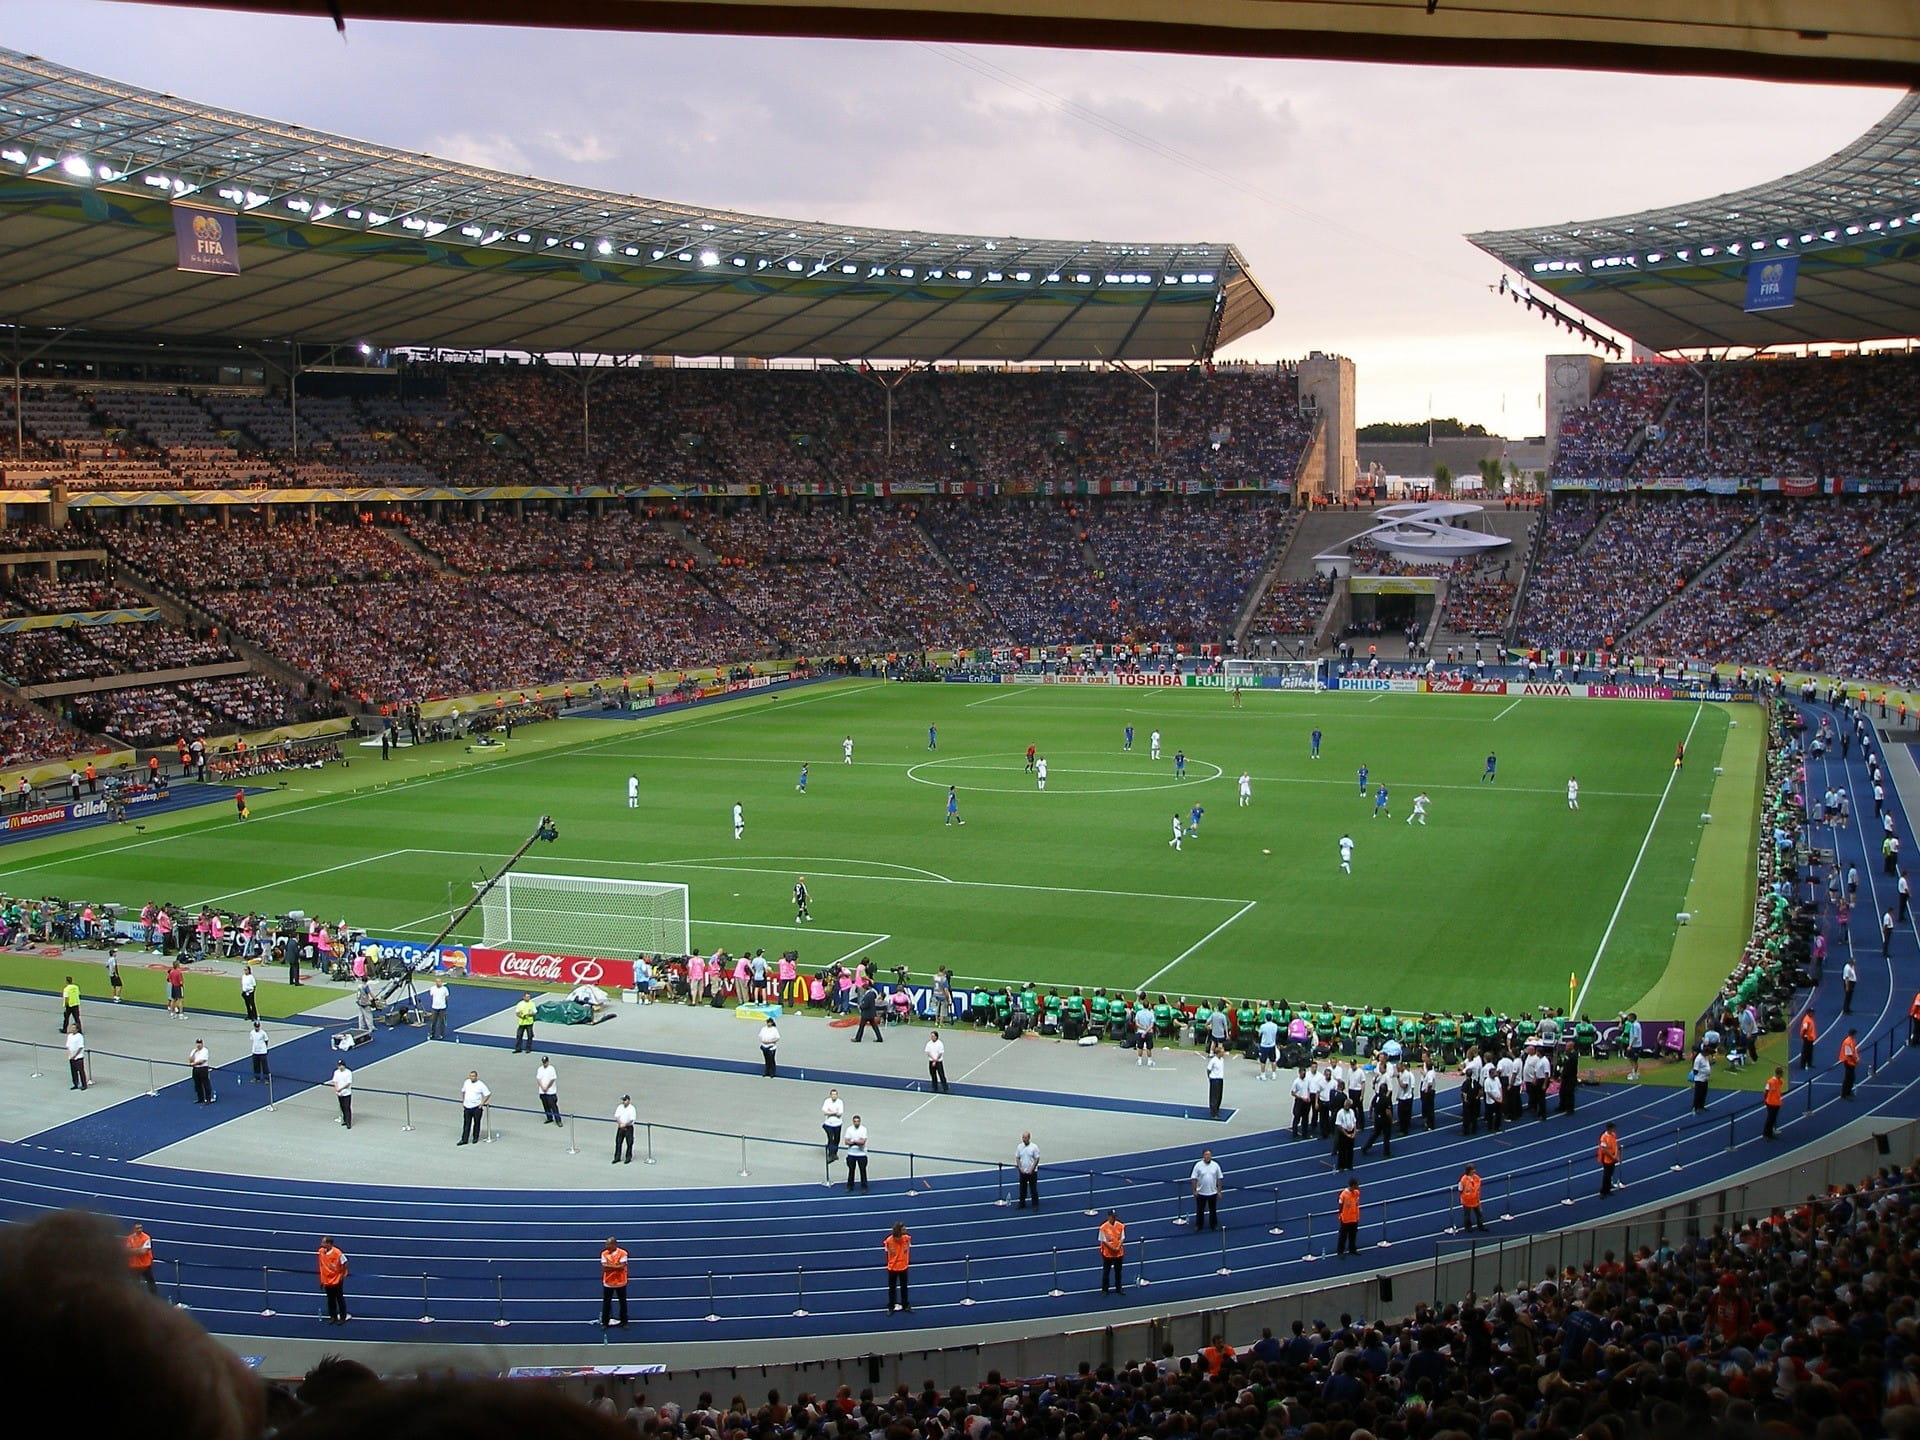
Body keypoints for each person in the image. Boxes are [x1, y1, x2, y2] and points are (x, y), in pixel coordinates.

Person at [317, 1236, 349, 1324]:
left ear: (329, 1244)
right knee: (330, 1299)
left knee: (339, 1298)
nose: (321, 1244)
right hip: (327, 1280)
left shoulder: (337, 1253)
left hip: (336, 1280)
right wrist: (322, 1280)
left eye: (323, 1242)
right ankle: (333, 1316)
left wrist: (342, 1275)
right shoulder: (321, 1252)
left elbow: (345, 1262)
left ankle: (342, 1317)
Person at [600, 1238, 630, 1328]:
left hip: (620, 1282)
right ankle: (605, 1322)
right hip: (608, 1282)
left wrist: (611, 1267)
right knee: (606, 1303)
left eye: (608, 1244)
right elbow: (604, 1268)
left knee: (622, 1302)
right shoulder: (604, 1253)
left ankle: (624, 1321)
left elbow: (622, 1267)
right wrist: (616, 1266)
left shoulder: (623, 1253)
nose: (606, 1246)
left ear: (614, 1245)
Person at [1190, 1147, 1223, 1229]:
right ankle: (1199, 1225)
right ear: (1203, 1156)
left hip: (1212, 1192)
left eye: (1209, 1155)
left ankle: (1213, 1225)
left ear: (1211, 1156)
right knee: (1200, 1210)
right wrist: (1194, 1190)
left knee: (1213, 1210)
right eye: (1206, 1155)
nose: (1208, 1156)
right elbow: (1194, 1178)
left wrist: (1219, 1191)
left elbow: (1219, 1178)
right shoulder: (1198, 1165)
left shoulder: (1215, 1165)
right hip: (1201, 1192)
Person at [883, 1222, 912, 1312]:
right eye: (903, 1229)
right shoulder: (889, 1241)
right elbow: (887, 1253)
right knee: (892, 1288)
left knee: (904, 1287)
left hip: (903, 1267)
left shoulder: (907, 1238)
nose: (905, 1230)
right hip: (893, 1268)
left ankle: (905, 1304)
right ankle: (891, 1305)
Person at [458, 1071, 490, 1145]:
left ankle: (475, 1138)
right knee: (466, 1124)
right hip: (467, 1107)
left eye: (473, 1076)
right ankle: (464, 1139)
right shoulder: (466, 1082)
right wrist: (463, 1101)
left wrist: (482, 1103)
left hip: (476, 1108)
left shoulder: (480, 1084)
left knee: (476, 1123)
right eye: (470, 1076)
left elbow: (487, 1094)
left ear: (476, 1077)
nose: (472, 1077)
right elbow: (463, 1091)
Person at [125, 1222, 156, 1294]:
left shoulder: (146, 1237)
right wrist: (139, 1249)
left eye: (140, 1228)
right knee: (135, 1284)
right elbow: (127, 1250)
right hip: (134, 1265)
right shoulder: (130, 1238)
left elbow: (143, 1251)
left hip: (145, 1265)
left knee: (150, 1283)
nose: (139, 1229)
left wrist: (133, 1250)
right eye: (137, 1228)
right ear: (134, 1229)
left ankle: (154, 1298)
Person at [1014, 1131, 1041, 1207]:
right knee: (1022, 1189)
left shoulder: (1034, 1147)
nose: (1024, 1139)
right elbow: (1017, 1158)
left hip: (1032, 1172)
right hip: (1023, 1172)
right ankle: (1022, 1203)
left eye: (1025, 1138)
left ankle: (1035, 1204)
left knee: (1033, 1189)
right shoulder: (1019, 1147)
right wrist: (1020, 1168)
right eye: (1023, 1137)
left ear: (1029, 1138)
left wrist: (1032, 1169)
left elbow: (1037, 1159)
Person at [1336, 1180, 1362, 1256]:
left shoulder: (1357, 1193)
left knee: (1353, 1235)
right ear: (1352, 1185)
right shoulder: (1343, 1195)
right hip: (1346, 1219)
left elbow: (1356, 1203)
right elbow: (1340, 1206)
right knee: (1343, 1236)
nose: (1358, 1186)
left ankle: (1352, 1249)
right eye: (1357, 1185)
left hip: (1354, 1218)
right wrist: (1341, 1215)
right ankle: (1340, 1252)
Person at [844, 1115, 870, 1191]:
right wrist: (857, 1141)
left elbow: (862, 1142)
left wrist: (853, 1141)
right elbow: (846, 1142)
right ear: (853, 1122)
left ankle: (864, 1187)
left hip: (861, 1154)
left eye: (858, 1121)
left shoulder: (863, 1129)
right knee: (851, 1171)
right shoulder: (849, 1129)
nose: (856, 1123)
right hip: (851, 1154)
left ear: (860, 1121)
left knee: (863, 1171)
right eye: (855, 1121)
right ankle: (850, 1186)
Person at [1458, 1164, 1486, 1231]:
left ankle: (1481, 1226)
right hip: (1467, 1201)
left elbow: (1478, 1187)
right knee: (1467, 1215)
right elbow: (1460, 1189)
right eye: (1473, 1169)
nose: (1474, 1171)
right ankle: (1468, 1228)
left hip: (1476, 1199)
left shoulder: (1477, 1177)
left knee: (1479, 1214)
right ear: (1469, 1171)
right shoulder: (1463, 1180)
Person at [820, 1088, 845, 1161]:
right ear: (830, 1095)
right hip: (828, 1124)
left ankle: (834, 1153)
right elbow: (825, 1112)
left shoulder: (840, 1102)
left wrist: (830, 1112)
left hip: (837, 1124)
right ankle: (830, 1154)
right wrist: (834, 1112)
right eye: (832, 1094)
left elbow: (840, 1113)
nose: (834, 1096)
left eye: (835, 1094)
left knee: (837, 1139)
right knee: (831, 1138)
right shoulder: (827, 1101)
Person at [1596, 1122, 1619, 1196]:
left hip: (1613, 1158)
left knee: (1610, 1174)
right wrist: (1612, 1157)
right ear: (1609, 1128)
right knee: (1606, 1175)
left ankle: (1608, 1189)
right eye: (1613, 1128)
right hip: (1606, 1159)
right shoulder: (1604, 1138)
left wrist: (1616, 1155)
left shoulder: (1613, 1135)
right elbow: (1604, 1150)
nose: (1614, 1129)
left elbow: (1615, 1146)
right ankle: (1603, 1191)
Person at [536, 1056, 560, 1124]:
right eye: (543, 1062)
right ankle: (549, 1117)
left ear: (548, 1062)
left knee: (553, 1106)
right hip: (542, 1091)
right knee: (546, 1105)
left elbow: (552, 1079)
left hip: (550, 1092)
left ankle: (558, 1120)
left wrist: (546, 1087)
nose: (544, 1064)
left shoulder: (551, 1069)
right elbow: (538, 1079)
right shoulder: (540, 1069)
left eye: (545, 1062)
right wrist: (542, 1087)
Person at [1762, 1065, 1784, 1139]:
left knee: (1773, 1118)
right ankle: (1766, 1134)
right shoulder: (1770, 1081)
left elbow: (1780, 1084)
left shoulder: (1779, 1081)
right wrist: (1765, 1100)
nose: (1782, 1076)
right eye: (1781, 1074)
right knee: (1770, 1119)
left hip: (1777, 1102)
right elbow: (1766, 1091)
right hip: (1771, 1103)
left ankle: (1770, 1132)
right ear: (1778, 1074)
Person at [189, 1038, 213, 1104]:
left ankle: (208, 1099)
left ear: (202, 1044)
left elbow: (202, 1061)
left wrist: (194, 1063)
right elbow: (190, 1060)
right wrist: (194, 1053)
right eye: (197, 1043)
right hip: (196, 1069)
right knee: (197, 1084)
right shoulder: (194, 1050)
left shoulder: (205, 1050)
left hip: (203, 1068)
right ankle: (200, 1098)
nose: (198, 1045)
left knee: (205, 1084)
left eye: (200, 1043)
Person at [65, 1021, 87, 1091]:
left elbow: (80, 1047)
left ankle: (84, 1084)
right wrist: (69, 1054)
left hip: (78, 1057)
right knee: (73, 1071)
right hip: (71, 1056)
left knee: (81, 1071)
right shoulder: (70, 1036)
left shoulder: (79, 1036)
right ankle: (75, 1084)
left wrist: (75, 1055)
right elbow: (68, 1046)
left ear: (77, 1029)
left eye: (74, 1028)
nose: (72, 1029)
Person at [1206, 1045, 1226, 1119]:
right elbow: (1208, 1070)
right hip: (1214, 1079)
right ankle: (1213, 1112)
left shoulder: (1222, 1060)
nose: (1223, 1054)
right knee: (1214, 1096)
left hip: (1220, 1079)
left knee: (1219, 1096)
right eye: (1222, 1052)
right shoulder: (1213, 1060)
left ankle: (1217, 1109)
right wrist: (1210, 1078)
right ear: (1218, 1053)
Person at [331, 1059, 353, 1128]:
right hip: (340, 1093)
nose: (339, 1067)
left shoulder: (348, 1072)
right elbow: (335, 1082)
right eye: (338, 1066)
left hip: (346, 1093)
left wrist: (340, 1089)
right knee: (342, 1107)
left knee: (347, 1108)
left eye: (340, 1066)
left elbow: (348, 1084)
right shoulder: (336, 1072)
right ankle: (345, 1120)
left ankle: (349, 1122)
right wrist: (336, 1090)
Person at [1839, 1028, 1860, 1099]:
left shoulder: (1851, 1041)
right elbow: (1849, 1054)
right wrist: (1855, 1060)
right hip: (1848, 1062)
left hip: (1851, 1061)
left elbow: (1853, 1051)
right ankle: (1845, 1093)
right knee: (1849, 1078)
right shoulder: (1848, 1042)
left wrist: (1856, 1058)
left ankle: (1847, 1091)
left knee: (1851, 1078)